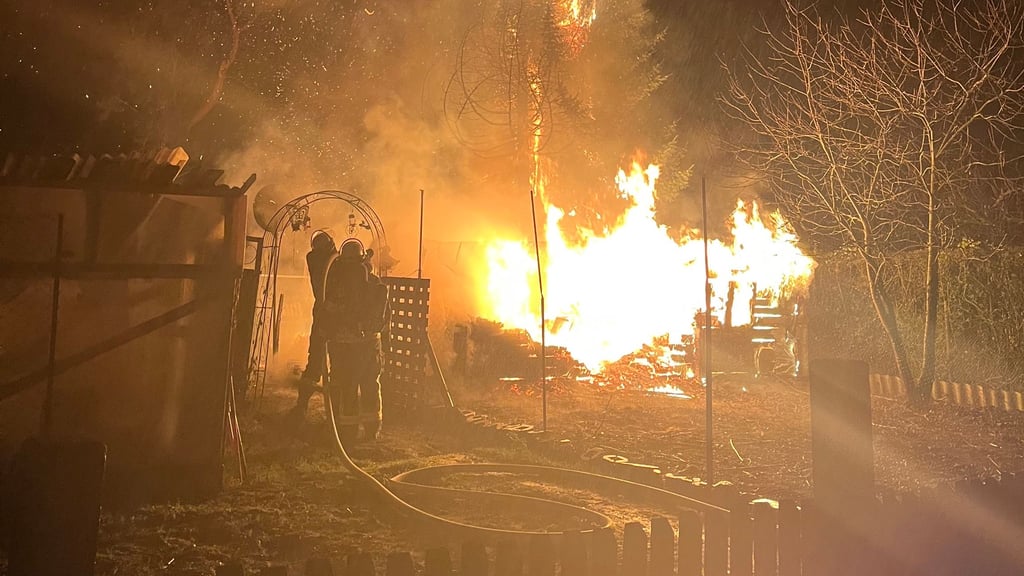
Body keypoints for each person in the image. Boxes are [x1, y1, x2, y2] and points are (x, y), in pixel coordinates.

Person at [320, 239, 390, 443]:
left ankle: (347, 431)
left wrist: (325, 332)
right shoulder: (375, 284)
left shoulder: (337, 283)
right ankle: (372, 429)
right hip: (370, 346)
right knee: (370, 384)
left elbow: (328, 311)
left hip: (345, 346)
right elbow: (386, 318)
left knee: (346, 387)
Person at [291, 230, 337, 419]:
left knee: (316, 361)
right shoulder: (332, 261)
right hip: (334, 318)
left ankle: (302, 406)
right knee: (336, 363)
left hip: (323, 316)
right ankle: (336, 413)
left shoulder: (316, 258)